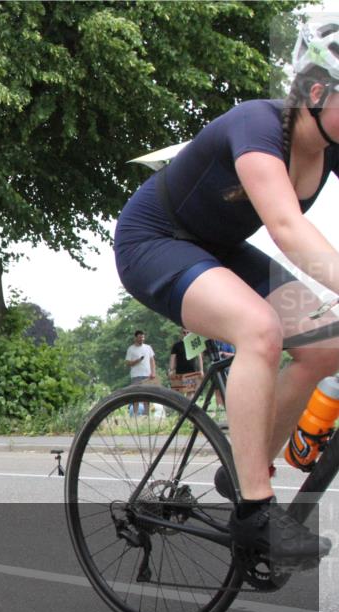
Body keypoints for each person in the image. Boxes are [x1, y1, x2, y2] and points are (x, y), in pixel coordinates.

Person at [114, 23, 339, 564]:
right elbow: (287, 229)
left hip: (218, 247)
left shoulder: (330, 148)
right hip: (154, 241)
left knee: (326, 344)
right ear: (317, 92)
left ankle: (243, 464)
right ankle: (254, 513)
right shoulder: (258, 125)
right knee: (259, 329)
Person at [124, 330, 155, 415]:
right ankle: (135, 415)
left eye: (143, 337)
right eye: (140, 337)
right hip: (136, 375)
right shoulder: (131, 349)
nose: (142, 339)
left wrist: (153, 372)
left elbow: (152, 360)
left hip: (147, 375)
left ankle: (146, 415)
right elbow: (127, 363)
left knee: (147, 396)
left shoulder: (148, 347)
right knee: (136, 395)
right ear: (135, 338)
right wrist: (137, 361)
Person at [169, 328, 204, 397]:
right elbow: (172, 358)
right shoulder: (176, 345)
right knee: (179, 394)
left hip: (192, 372)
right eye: (184, 333)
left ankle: (188, 404)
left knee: (190, 392)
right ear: (181, 334)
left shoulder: (194, 343)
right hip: (179, 372)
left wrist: (201, 370)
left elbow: (199, 357)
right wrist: (171, 370)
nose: (186, 334)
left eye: (188, 332)